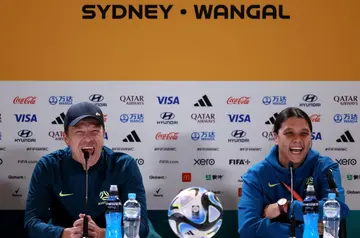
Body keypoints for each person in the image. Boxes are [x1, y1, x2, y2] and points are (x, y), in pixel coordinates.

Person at [24, 101, 149, 238]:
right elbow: (31, 223)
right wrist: (65, 234)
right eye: (79, 132)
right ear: (66, 138)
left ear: (103, 134)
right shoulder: (48, 166)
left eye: (95, 131)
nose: (88, 139)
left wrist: (102, 233)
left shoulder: (124, 165)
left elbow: (141, 228)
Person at [237, 107, 350, 238]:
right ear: (276, 137)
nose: (298, 139)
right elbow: (247, 229)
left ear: (311, 137)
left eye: (304, 133)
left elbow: (339, 208)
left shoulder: (326, 167)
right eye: (289, 133)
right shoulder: (255, 175)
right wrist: (306, 229)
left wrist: (286, 208)